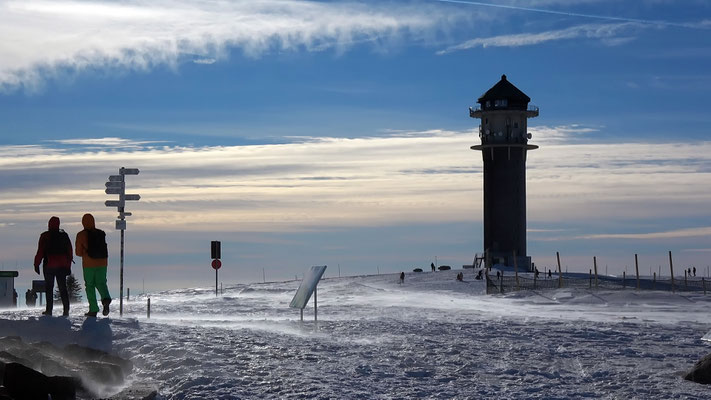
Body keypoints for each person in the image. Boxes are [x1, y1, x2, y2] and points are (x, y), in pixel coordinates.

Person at [33, 216, 73, 316]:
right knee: (62, 288)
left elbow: (40, 251)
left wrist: (36, 264)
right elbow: (70, 251)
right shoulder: (64, 235)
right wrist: (68, 265)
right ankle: (66, 310)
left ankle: (49, 310)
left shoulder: (45, 236)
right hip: (62, 266)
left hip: (49, 265)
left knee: (49, 288)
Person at [75, 213, 111, 318]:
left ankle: (93, 309)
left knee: (90, 285)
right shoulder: (100, 233)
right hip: (103, 262)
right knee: (101, 283)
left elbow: (78, 252)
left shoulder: (81, 235)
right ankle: (106, 299)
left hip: (88, 264)